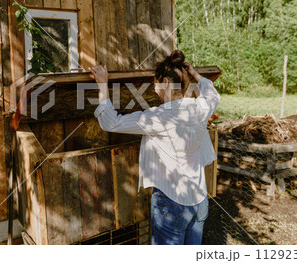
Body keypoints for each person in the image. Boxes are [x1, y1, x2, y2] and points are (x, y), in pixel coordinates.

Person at [88, 50, 221, 245]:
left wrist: (102, 84)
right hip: (200, 200)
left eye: (156, 84)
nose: (155, 89)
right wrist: (194, 73)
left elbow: (111, 123)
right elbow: (212, 92)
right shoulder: (200, 107)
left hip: (172, 204)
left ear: (166, 83)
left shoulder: (159, 116)